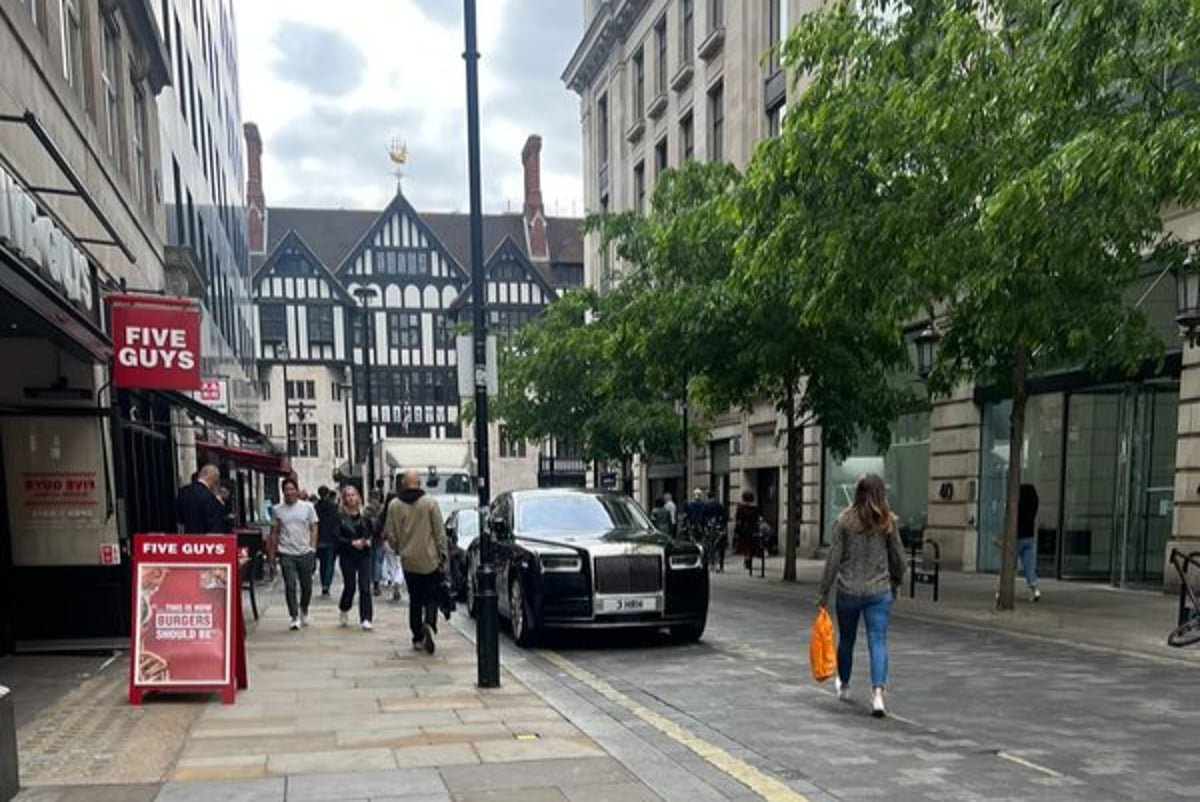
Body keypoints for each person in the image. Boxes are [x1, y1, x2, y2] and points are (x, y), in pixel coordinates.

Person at [817, 473, 906, 718]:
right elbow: (899, 557)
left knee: (847, 640)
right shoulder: (888, 522)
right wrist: (896, 580)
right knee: (878, 641)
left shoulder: (844, 522)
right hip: (879, 591)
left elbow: (833, 560)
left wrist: (823, 592)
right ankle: (877, 695)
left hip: (848, 590)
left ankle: (844, 684)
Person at [385, 468, 448, 655]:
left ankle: (417, 635)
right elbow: (439, 532)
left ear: (403, 483)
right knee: (431, 596)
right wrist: (443, 555)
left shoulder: (394, 505)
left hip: (409, 560)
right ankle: (429, 623)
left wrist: (399, 548)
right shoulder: (430, 503)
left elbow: (390, 534)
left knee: (415, 598)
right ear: (419, 483)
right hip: (430, 559)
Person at [272, 477, 319, 631]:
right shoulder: (277, 510)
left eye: (292, 489)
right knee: (290, 585)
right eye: (286, 489)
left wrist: (312, 547)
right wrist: (273, 552)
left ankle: (304, 608)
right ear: (282, 492)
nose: (289, 492)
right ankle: (294, 616)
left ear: (297, 491)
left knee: (307, 586)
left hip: (304, 551)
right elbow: (275, 531)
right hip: (286, 552)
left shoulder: (308, 507)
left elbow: (314, 527)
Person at [336, 484, 374, 630]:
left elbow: (372, 530)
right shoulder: (340, 517)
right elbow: (336, 536)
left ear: (358, 497)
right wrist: (351, 542)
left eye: (353, 495)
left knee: (365, 586)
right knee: (350, 586)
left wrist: (367, 540)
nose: (351, 498)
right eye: (348, 495)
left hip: (364, 554)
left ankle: (366, 618)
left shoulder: (365, 515)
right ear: (344, 499)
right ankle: (344, 607)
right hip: (347, 554)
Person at [177, 465, 224, 534]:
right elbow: (215, 525)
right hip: (205, 538)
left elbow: (179, 518)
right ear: (213, 478)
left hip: (188, 536)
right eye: (216, 480)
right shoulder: (210, 497)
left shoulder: (183, 491)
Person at [314, 486, 340, 597]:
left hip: (319, 538)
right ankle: (326, 585)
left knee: (322, 564)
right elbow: (337, 522)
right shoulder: (334, 507)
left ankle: (323, 584)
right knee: (330, 563)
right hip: (331, 539)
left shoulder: (316, 507)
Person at [1017, 484, 1041, 602]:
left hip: (1017, 537)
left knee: (1008, 565)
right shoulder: (1033, 506)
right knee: (1029, 566)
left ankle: (1003, 590)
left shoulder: (1018, 506)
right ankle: (1034, 590)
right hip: (1030, 537)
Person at [734, 491, 761, 573]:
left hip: (743, 530)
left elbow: (738, 521)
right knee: (750, 545)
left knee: (745, 546)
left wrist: (737, 531)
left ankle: (747, 560)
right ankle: (749, 560)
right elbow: (757, 521)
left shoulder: (741, 509)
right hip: (752, 530)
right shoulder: (755, 509)